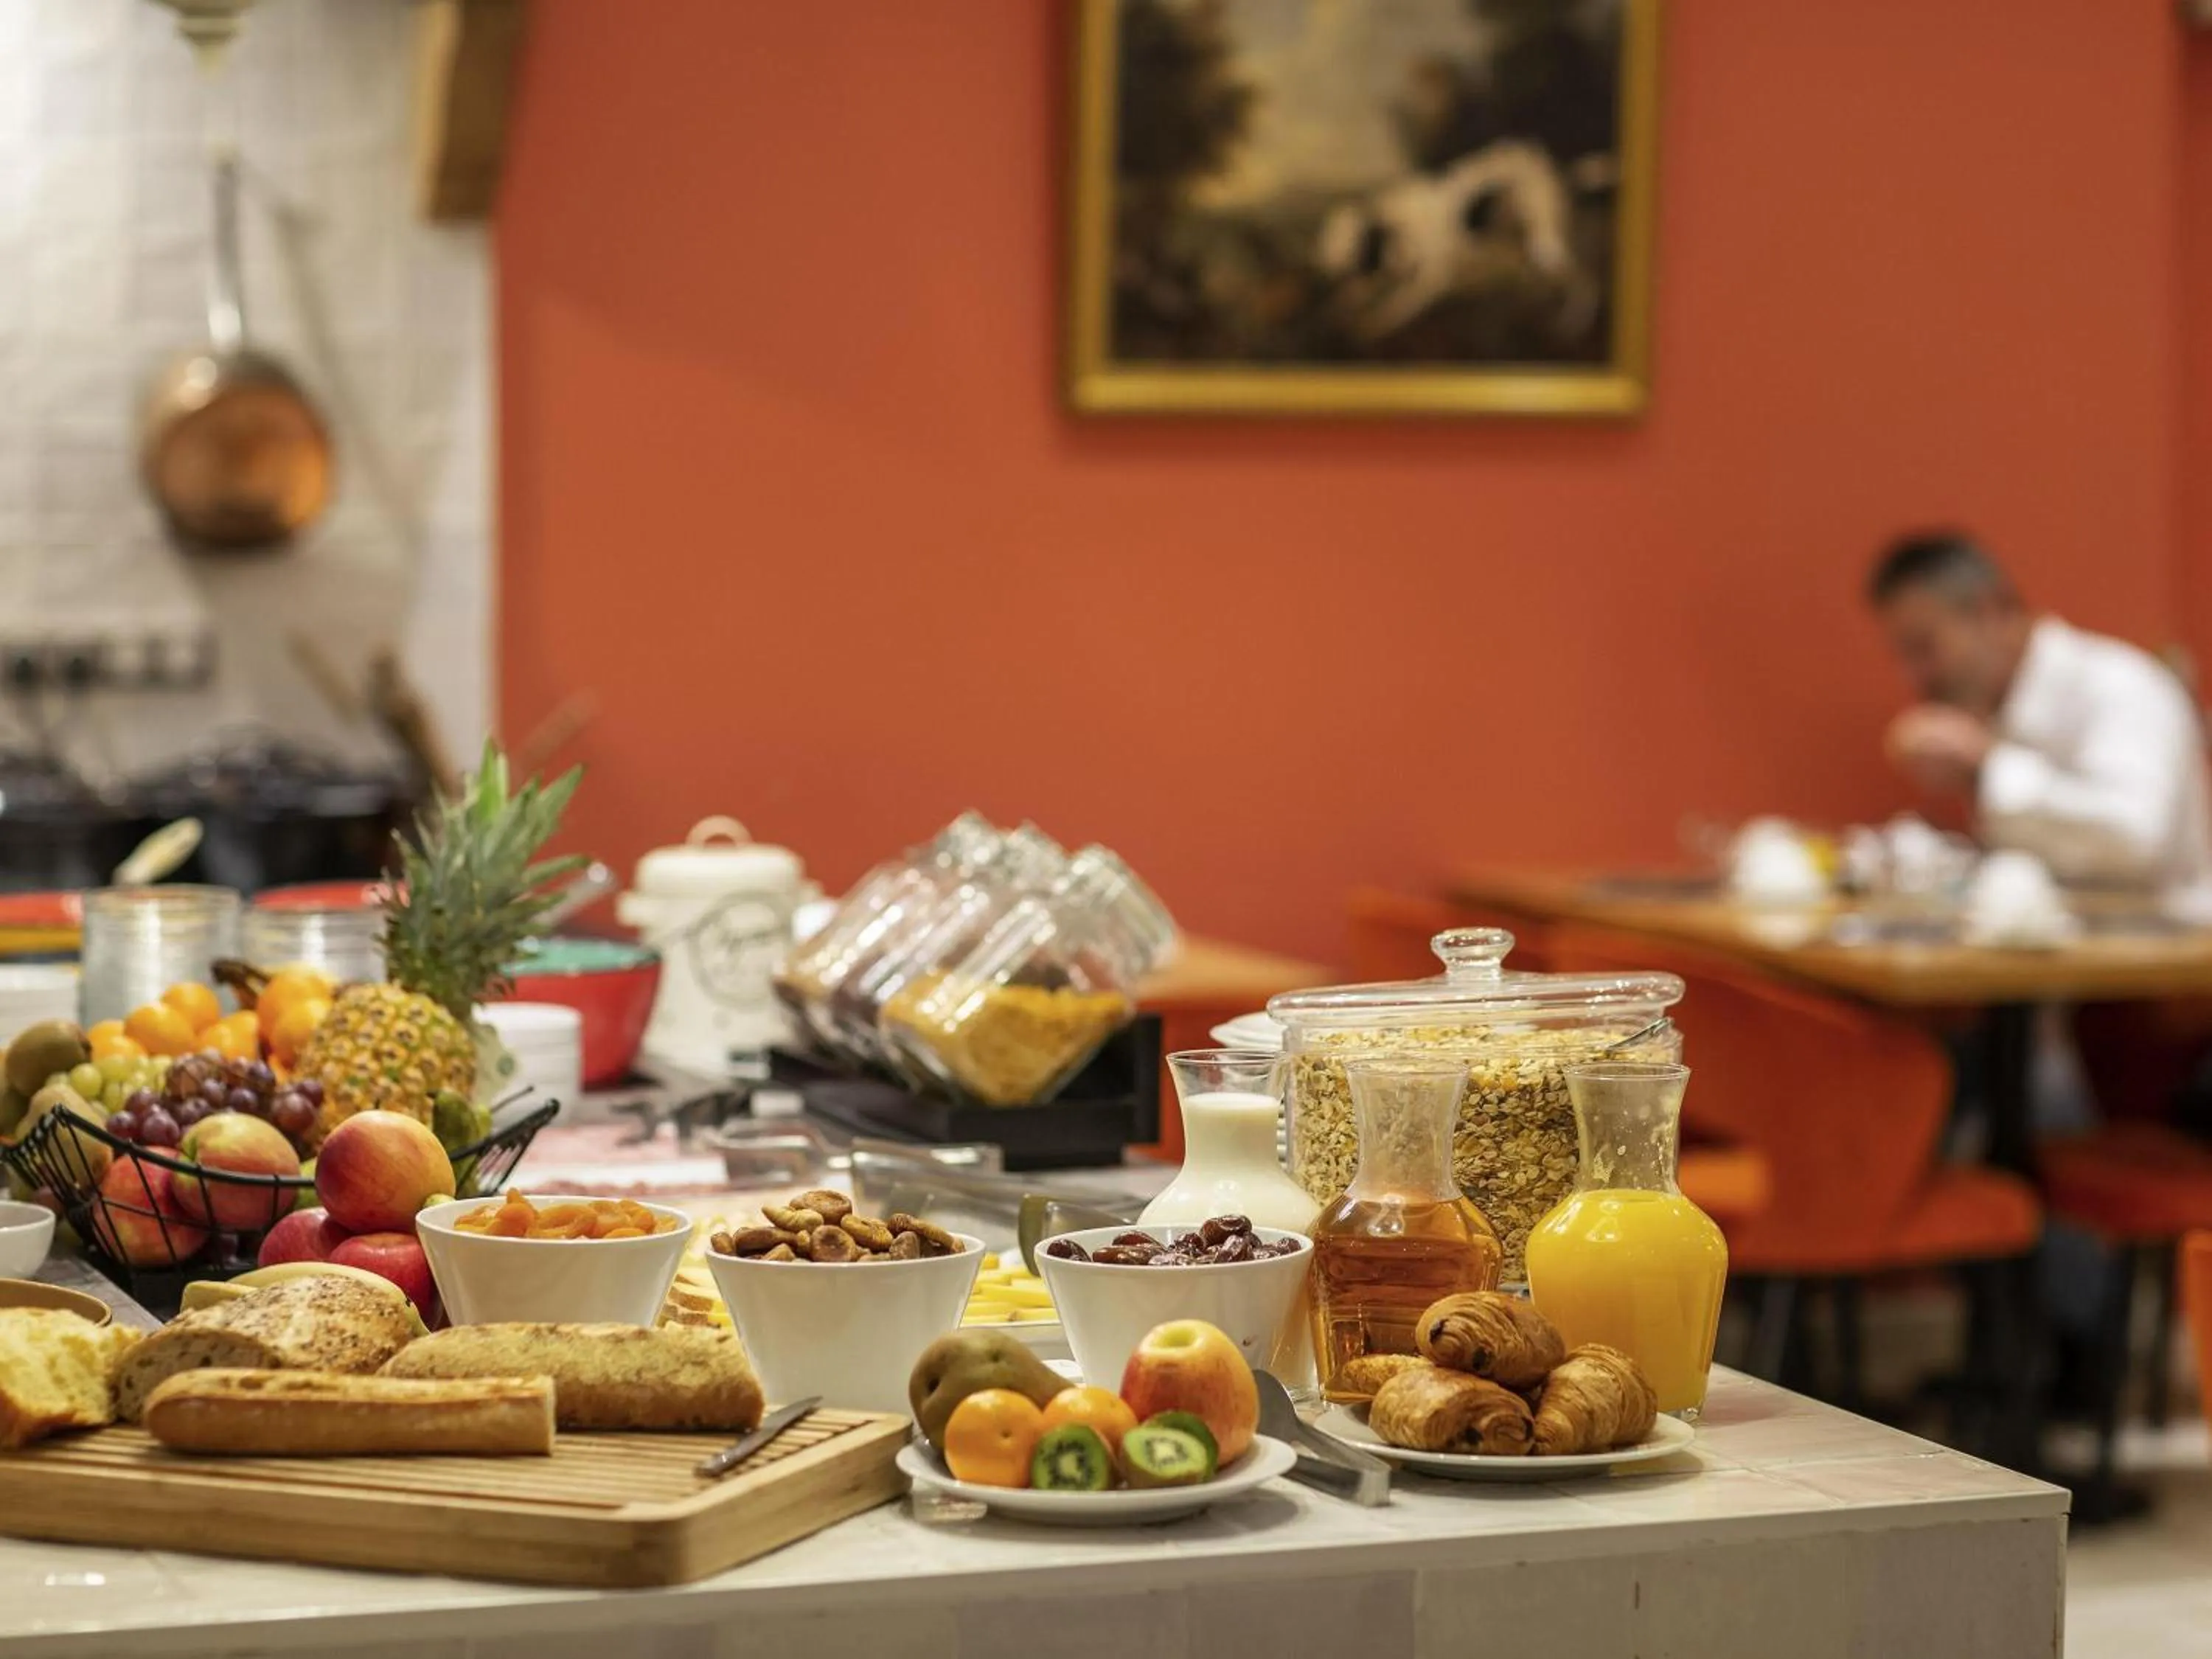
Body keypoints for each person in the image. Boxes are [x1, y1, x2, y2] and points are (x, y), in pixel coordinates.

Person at [1869, 531, 2212, 919]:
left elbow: (2135, 839)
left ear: (1988, 613)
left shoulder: (2121, 686)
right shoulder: (1996, 708)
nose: (1913, 676)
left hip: (2168, 949)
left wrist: (1986, 768)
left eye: (1923, 648)